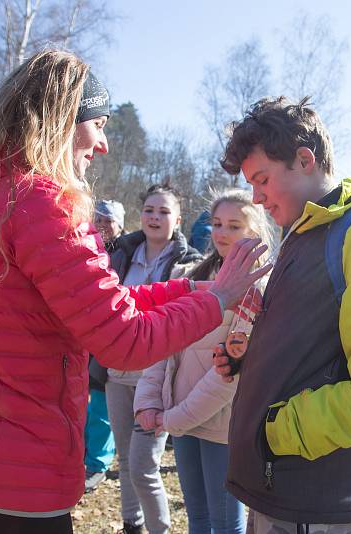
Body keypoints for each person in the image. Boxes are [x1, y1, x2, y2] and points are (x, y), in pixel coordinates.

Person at [0, 49, 270, 534]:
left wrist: (198, 288)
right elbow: (123, 341)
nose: (105, 143)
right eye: (98, 123)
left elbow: (105, 303)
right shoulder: (43, 204)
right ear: (61, 121)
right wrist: (216, 301)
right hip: (16, 482)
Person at [214, 96, 351, 533]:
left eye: (263, 179)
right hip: (278, 489)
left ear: (305, 160)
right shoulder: (302, 234)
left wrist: (276, 433)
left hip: (313, 501)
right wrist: (247, 361)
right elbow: (310, 352)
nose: (256, 196)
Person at [134, 189, 276, 534]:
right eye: (216, 224)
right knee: (196, 518)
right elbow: (163, 344)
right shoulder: (190, 276)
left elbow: (230, 375)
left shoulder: (258, 292)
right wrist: (150, 403)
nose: (223, 233)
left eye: (234, 225)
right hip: (181, 421)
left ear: (254, 231)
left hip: (223, 429)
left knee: (226, 523)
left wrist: (174, 418)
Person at [105, 184, 204, 534]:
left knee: (144, 465)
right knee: (125, 457)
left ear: (177, 219)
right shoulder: (120, 254)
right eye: (149, 210)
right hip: (116, 374)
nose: (155, 217)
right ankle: (132, 524)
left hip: (158, 376)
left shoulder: (189, 263)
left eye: (164, 212)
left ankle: (159, 529)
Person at [84, 198, 126, 493]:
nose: (101, 224)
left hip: (108, 337)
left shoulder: (126, 253)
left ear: (120, 226)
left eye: (107, 220)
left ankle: (96, 464)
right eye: (97, 218)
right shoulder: (83, 246)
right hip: (80, 334)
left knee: (100, 405)